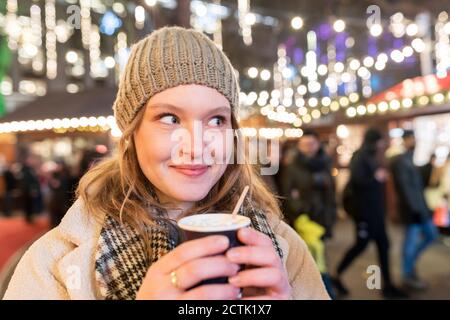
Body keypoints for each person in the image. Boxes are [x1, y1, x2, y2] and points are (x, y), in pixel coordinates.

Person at [3, 27, 329, 300]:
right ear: (132, 132)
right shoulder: (52, 263)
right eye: (169, 118)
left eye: (216, 120)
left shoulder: (282, 248)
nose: (196, 146)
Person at [332, 128, 406, 299]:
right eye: (380, 141)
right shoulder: (360, 156)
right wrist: (376, 177)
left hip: (376, 212)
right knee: (361, 245)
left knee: (384, 246)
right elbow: (358, 181)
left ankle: (388, 285)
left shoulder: (373, 155)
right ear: (376, 141)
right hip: (364, 212)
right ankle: (336, 275)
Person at [280, 130, 337, 298]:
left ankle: (324, 290)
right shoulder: (292, 166)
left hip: (324, 216)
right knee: (310, 262)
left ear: (318, 144)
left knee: (322, 257)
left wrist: (331, 214)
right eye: (304, 144)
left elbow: (331, 192)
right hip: (305, 219)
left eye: (311, 144)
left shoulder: (326, 163)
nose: (308, 148)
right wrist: (302, 209)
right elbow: (289, 195)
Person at [390, 130, 438, 290]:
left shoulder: (408, 159)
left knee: (430, 235)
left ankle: (410, 264)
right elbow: (406, 189)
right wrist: (416, 209)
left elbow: (416, 187)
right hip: (412, 211)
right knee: (410, 243)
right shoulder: (401, 161)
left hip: (419, 209)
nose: (414, 141)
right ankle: (407, 274)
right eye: (412, 139)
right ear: (406, 140)